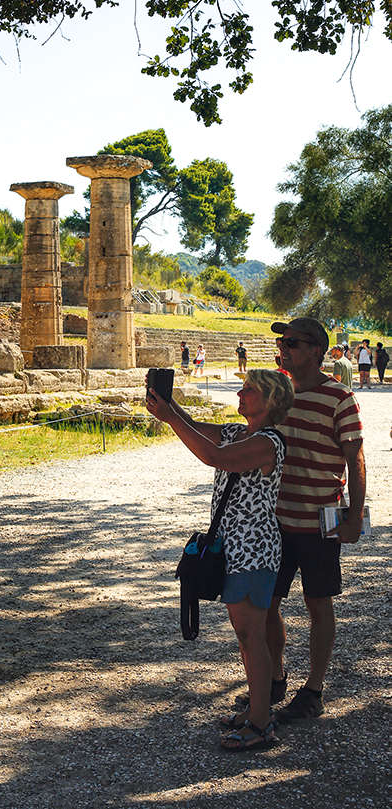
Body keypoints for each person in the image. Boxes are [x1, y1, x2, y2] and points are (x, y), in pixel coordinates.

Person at [147, 369, 294, 751]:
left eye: (251, 390)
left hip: (254, 550)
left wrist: (170, 417)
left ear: (271, 400)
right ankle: (257, 710)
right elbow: (197, 429)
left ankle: (261, 724)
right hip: (235, 550)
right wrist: (168, 403)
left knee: (252, 637)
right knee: (246, 637)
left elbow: (215, 457)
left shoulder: (268, 443)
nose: (241, 394)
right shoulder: (237, 432)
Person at [267, 317, 365, 723]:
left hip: (319, 523)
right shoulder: (277, 393)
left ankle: (313, 690)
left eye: (293, 342)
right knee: (266, 602)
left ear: (316, 352)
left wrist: (355, 517)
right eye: (282, 342)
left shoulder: (339, 397)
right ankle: (274, 679)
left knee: (317, 603)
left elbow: (354, 459)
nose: (284, 348)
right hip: (273, 521)